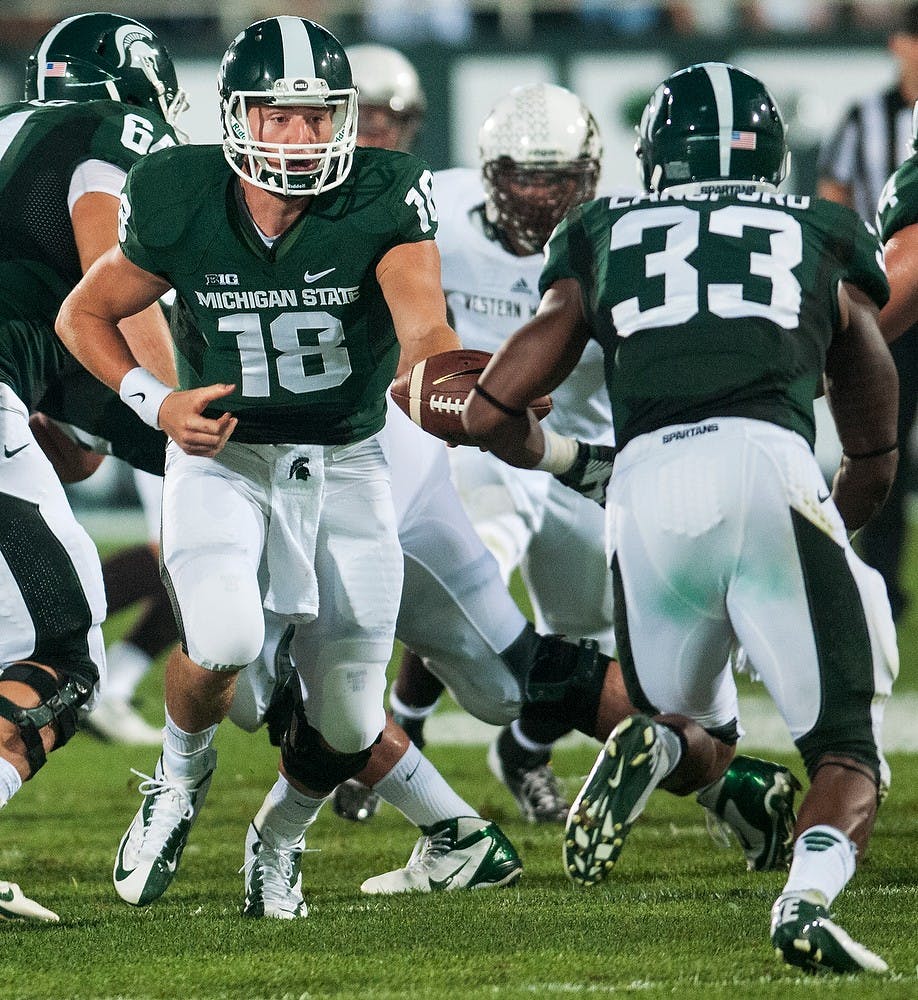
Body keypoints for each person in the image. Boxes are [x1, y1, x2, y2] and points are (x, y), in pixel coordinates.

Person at [55, 15, 510, 918]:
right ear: (237, 119)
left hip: (347, 463)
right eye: (278, 116)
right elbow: (82, 316)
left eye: (316, 116)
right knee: (222, 638)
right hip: (227, 461)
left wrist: (451, 386)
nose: (300, 137)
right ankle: (178, 782)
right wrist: (158, 402)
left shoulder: (384, 193)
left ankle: (278, 841)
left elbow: (424, 332)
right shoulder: (178, 190)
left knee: (345, 718)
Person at [463, 62, 898, 974]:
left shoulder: (603, 229)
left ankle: (657, 745)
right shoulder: (820, 228)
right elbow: (873, 437)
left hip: (647, 488)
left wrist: (570, 463)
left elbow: (492, 407)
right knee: (847, 750)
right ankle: (805, 902)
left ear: (654, 155)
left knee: (688, 721)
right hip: (768, 465)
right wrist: (828, 532)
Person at [0, 11, 185, 922]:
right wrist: (171, 400)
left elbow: (65, 437)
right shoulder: (106, 134)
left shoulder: (14, 134)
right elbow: (106, 269)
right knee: (64, 652)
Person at [390, 82, 616, 824]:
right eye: (526, 173)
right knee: (471, 560)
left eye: (559, 176)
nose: (543, 194)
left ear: (589, 173)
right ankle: (403, 722)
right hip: (487, 437)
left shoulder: (617, 239)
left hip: (580, 457)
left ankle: (523, 748)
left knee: (588, 637)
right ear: (490, 171)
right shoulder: (440, 210)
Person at [817, 1, 918, 622]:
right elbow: (833, 207)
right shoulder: (865, 118)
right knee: (883, 434)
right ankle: (878, 575)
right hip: (893, 289)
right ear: (899, 46)